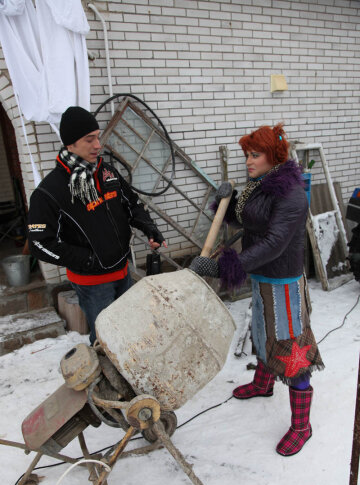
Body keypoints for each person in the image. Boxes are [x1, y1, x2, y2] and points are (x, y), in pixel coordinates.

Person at [190, 123, 324, 456]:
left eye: (255, 154)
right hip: (262, 276)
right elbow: (247, 221)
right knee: (263, 329)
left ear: (274, 156)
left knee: (291, 346)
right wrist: (228, 202)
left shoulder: (290, 193)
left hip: (283, 282)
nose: (248, 161)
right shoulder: (259, 186)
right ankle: (264, 384)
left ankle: (301, 426)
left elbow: (275, 243)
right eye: (247, 154)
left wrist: (224, 267)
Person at [28, 106, 167, 345]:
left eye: (98, 136)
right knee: (106, 340)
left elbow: (131, 203)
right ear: (70, 144)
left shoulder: (106, 173)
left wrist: (149, 227)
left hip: (123, 270)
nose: (97, 145)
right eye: (89, 139)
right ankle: (109, 378)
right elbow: (40, 244)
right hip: (92, 283)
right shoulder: (49, 192)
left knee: (129, 330)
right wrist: (88, 259)